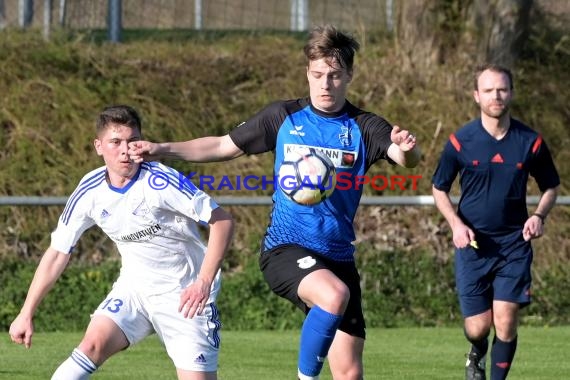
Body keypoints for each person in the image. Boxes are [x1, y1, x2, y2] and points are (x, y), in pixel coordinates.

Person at [128, 25, 421, 380]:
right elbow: (222, 146)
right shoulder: (284, 117)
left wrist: (407, 150)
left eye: (334, 75)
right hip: (285, 248)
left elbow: (403, 157)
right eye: (318, 75)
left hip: (338, 254)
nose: (325, 84)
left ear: (349, 76)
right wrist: (162, 149)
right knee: (333, 294)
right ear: (307, 73)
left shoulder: (364, 126)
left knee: (348, 373)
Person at [8, 105, 234, 380]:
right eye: (115, 142)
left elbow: (222, 221)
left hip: (184, 296)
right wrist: (26, 312)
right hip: (134, 291)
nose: (125, 150)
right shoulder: (89, 190)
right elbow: (57, 253)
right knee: (90, 346)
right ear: (99, 146)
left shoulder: (160, 181)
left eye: (132, 140)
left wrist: (203, 282)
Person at [431, 64, 560, 380]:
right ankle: (476, 351)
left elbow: (551, 186)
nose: (496, 96)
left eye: (502, 89)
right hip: (473, 245)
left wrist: (539, 216)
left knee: (505, 318)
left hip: (514, 244)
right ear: (477, 96)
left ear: (511, 93)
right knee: (479, 327)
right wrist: (456, 225)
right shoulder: (461, 141)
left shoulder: (530, 141)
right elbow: (439, 188)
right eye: (488, 90)